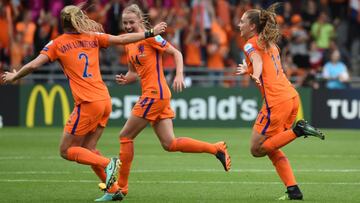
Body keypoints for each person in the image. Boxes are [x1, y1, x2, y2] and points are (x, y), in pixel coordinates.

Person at [2, 4, 167, 201]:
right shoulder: (93, 37)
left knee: (65, 150)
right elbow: (122, 39)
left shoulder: (57, 43)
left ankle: (108, 162)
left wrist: (14, 76)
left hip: (88, 102)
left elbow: (34, 64)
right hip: (105, 100)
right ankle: (113, 190)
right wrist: (149, 33)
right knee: (88, 149)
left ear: (62, 23)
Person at [96, 4, 231, 201]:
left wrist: (179, 74)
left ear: (140, 21)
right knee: (170, 143)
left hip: (155, 94)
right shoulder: (130, 43)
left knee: (125, 136)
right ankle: (216, 148)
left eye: (131, 22)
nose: (127, 26)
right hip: (154, 94)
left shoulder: (151, 38)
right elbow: (134, 71)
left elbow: (177, 53)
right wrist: (126, 79)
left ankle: (121, 189)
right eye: (124, 23)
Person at [235, 3, 325, 200]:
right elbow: (267, 66)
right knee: (271, 147)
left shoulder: (250, 44)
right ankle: (294, 190)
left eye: (242, 22)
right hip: (291, 97)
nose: (238, 25)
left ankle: (298, 129)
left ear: (252, 26)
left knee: (256, 149)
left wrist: (255, 73)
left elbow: (259, 63)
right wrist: (249, 70)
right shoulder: (270, 44)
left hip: (276, 102)